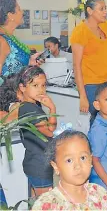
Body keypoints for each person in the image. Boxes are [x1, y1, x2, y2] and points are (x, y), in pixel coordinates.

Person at [32, 130, 107, 210]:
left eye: (83, 158)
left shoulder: (99, 194)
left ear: (91, 160)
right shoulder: (47, 204)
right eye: (69, 160)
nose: (78, 166)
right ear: (55, 166)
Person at [17, 66, 57, 196]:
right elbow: (50, 131)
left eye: (43, 85)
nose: (41, 89)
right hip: (39, 164)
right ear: (22, 87)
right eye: (35, 85)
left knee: (35, 203)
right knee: (45, 204)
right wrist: (52, 108)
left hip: (34, 162)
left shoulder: (31, 105)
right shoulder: (29, 108)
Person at [0, 0, 43, 78]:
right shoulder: (2, 40)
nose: (22, 12)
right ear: (10, 15)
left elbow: (14, 69)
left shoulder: (10, 37)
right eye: (19, 9)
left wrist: (30, 63)